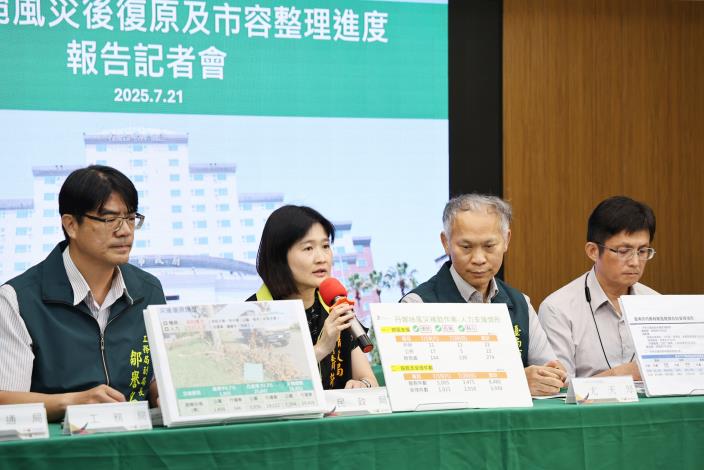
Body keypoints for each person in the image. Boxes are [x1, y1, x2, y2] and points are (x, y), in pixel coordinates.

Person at [0, 165, 166, 421]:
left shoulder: (149, 291)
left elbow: (154, 376)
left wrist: (163, 393)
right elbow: (5, 399)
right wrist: (73, 402)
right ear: (71, 225)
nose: (125, 231)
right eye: (110, 219)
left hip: (136, 441)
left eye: (131, 218)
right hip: (59, 443)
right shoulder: (19, 299)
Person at [402, 194, 567, 396]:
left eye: (489, 246)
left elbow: (549, 370)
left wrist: (553, 376)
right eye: (466, 247)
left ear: (506, 240)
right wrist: (514, 381)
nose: (479, 259)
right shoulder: (417, 305)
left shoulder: (520, 303)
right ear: (446, 242)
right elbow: (416, 386)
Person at [248, 205, 378, 390]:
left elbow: (369, 380)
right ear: (279, 257)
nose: (321, 258)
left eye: (325, 246)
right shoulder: (251, 314)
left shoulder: (335, 306)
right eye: (308, 248)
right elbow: (251, 386)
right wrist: (320, 349)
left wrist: (362, 385)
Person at [539, 196, 658, 379]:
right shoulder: (558, 309)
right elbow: (560, 389)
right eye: (623, 251)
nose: (635, 262)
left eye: (642, 251)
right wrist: (619, 375)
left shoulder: (657, 303)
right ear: (593, 251)